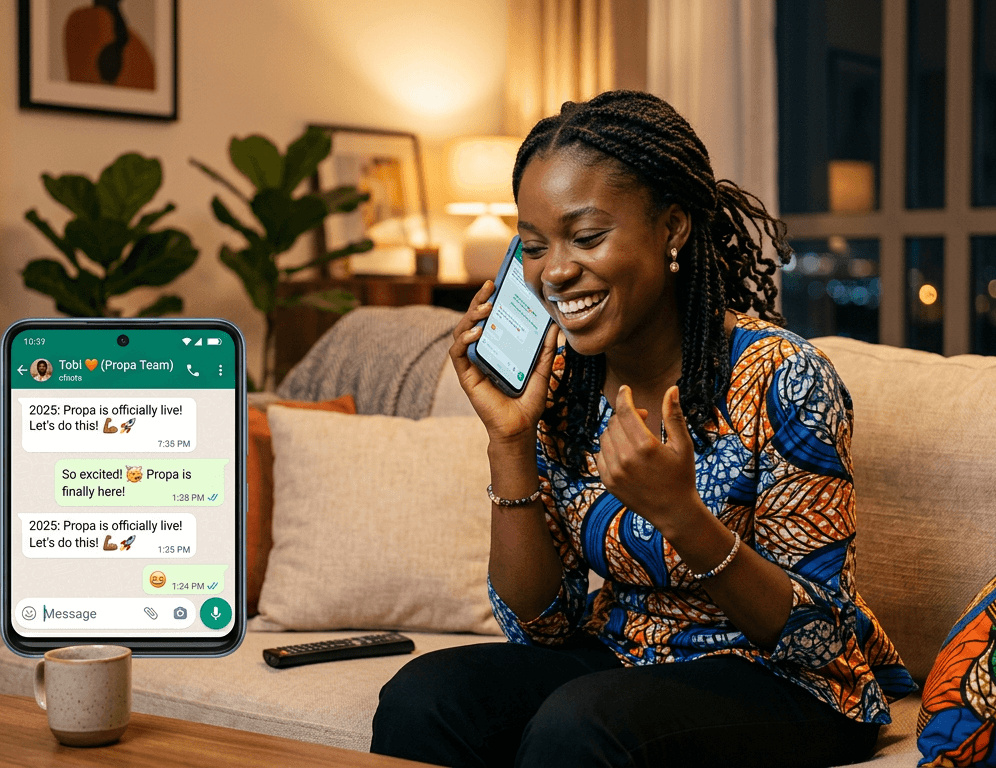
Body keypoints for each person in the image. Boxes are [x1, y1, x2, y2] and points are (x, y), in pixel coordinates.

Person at [370, 91, 915, 768]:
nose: (556, 271)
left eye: (587, 236)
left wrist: (680, 515)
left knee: (581, 725)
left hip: (789, 681)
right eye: (534, 246)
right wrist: (508, 440)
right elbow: (544, 626)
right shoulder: (561, 382)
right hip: (627, 654)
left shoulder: (784, 377)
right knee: (423, 696)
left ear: (673, 227)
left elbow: (819, 638)